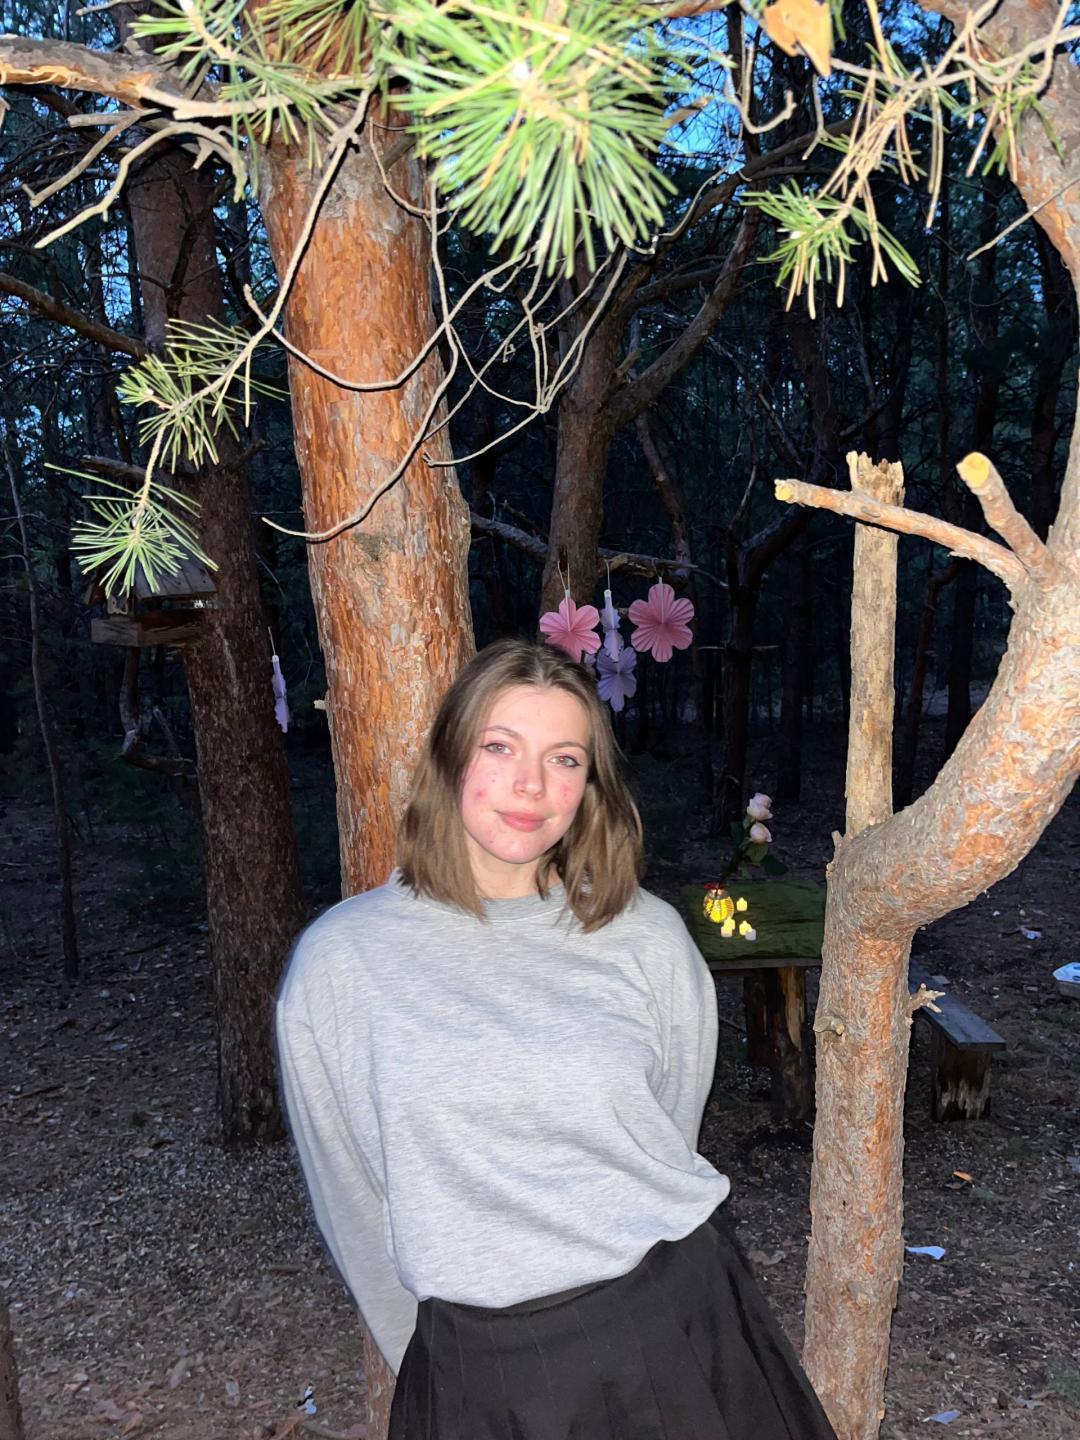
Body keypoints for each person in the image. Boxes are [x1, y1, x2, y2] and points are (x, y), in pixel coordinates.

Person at [276, 638, 837, 1440]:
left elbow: (667, 1132)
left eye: (564, 758)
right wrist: (434, 1366)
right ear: (449, 757)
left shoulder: (646, 937)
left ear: (590, 784)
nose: (531, 785)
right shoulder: (342, 963)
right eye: (499, 747)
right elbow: (353, 1199)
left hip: (676, 1331)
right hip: (476, 1370)